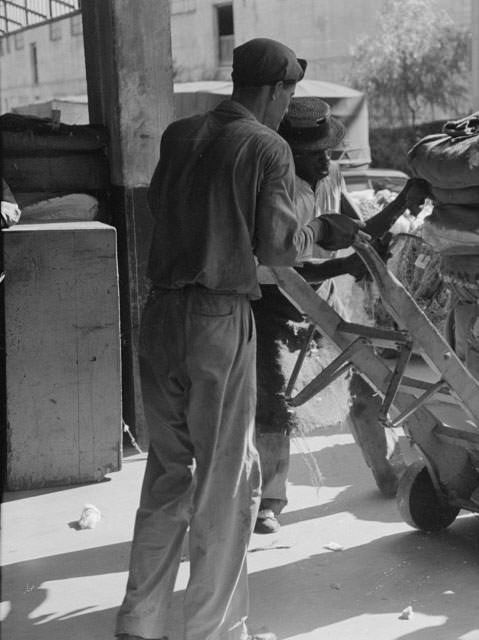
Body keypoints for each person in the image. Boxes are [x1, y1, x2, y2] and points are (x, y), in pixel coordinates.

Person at [114, 38, 364, 640]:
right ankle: (214, 631)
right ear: (278, 90)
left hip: (159, 316)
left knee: (169, 475)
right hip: (217, 320)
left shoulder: (179, 135)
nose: (288, 105)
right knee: (228, 482)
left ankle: (139, 621)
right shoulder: (267, 145)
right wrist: (322, 230)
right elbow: (279, 248)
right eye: (289, 93)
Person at [252, 97, 431, 534]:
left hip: (325, 301)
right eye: (315, 154)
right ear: (288, 152)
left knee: (366, 385)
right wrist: (341, 264)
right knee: (275, 407)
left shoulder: (330, 176)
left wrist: (402, 202)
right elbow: (276, 262)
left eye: (329, 152)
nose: (326, 161)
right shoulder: (272, 190)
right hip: (274, 304)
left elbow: (360, 232)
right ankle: (269, 502)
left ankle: (388, 474)